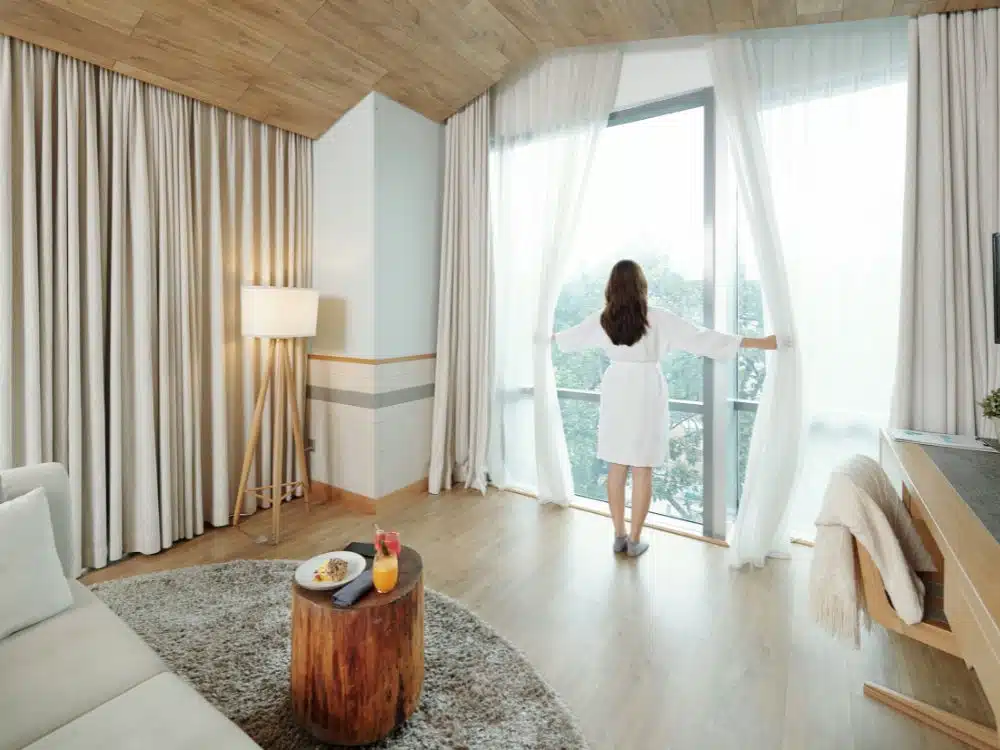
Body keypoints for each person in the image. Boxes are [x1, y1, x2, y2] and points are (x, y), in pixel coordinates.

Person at [553, 259, 778, 558]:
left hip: (616, 386)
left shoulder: (602, 319)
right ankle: (634, 540)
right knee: (642, 467)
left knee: (616, 465)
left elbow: (565, 339)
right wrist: (760, 342)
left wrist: (533, 334)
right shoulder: (657, 318)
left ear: (611, 287)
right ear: (641, 285)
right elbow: (702, 337)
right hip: (646, 386)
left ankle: (618, 535)